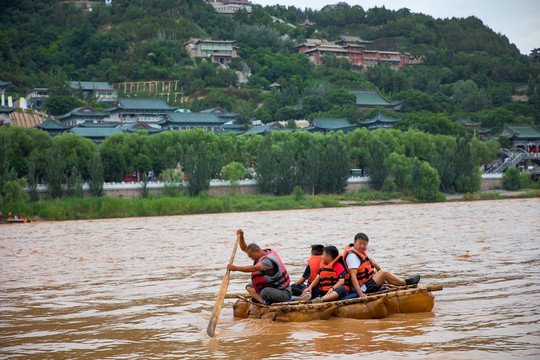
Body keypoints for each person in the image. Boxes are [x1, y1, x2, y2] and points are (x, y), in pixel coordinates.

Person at [344, 233, 420, 297]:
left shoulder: (359, 252)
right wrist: (360, 294)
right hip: (363, 288)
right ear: (354, 243)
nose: (362, 246)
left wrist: (377, 269)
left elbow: (371, 261)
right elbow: (353, 277)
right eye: (360, 243)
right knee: (383, 273)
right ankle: (405, 283)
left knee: (378, 271)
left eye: (364, 244)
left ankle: (397, 283)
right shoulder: (352, 257)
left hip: (366, 282)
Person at [227, 229, 292, 304]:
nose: (251, 258)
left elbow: (254, 268)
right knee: (249, 287)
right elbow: (244, 248)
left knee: (264, 292)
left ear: (257, 251)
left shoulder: (268, 261)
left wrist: (236, 268)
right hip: (273, 287)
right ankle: (263, 302)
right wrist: (241, 236)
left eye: (251, 256)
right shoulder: (262, 253)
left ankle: (265, 300)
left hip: (283, 292)